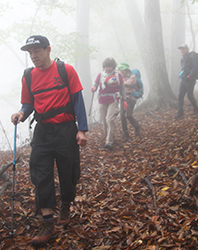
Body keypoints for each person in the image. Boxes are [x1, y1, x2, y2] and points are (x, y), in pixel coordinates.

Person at [10, 35, 88, 246]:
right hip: (43, 130)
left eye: (37, 51)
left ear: (48, 50)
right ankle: (47, 222)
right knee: (40, 172)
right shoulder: (28, 76)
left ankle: (65, 204)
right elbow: (28, 104)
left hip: (65, 128)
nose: (33, 56)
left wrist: (82, 130)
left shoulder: (66, 70)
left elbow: (77, 101)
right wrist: (20, 113)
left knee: (68, 170)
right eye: (30, 52)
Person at [91, 58, 126, 149]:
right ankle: (109, 137)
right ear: (104, 67)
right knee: (104, 121)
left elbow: (122, 88)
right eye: (106, 66)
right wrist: (94, 88)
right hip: (102, 100)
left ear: (113, 67)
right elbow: (95, 84)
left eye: (110, 66)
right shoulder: (100, 75)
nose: (108, 68)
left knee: (109, 119)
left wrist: (124, 100)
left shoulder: (118, 75)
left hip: (113, 100)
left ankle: (109, 141)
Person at [175, 44, 198, 119]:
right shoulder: (182, 59)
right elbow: (183, 69)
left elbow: (195, 67)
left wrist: (190, 76)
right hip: (184, 79)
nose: (182, 51)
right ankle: (180, 112)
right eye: (181, 49)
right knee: (180, 95)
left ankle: (196, 109)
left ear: (187, 49)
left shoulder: (192, 57)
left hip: (190, 79)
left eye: (183, 49)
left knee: (189, 95)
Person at [117, 62, 141, 139]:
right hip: (122, 97)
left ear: (126, 69)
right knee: (122, 116)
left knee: (128, 115)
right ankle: (125, 133)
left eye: (122, 69)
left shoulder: (133, 76)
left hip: (131, 97)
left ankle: (137, 126)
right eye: (120, 69)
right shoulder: (120, 76)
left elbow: (128, 84)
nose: (121, 70)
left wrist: (118, 82)